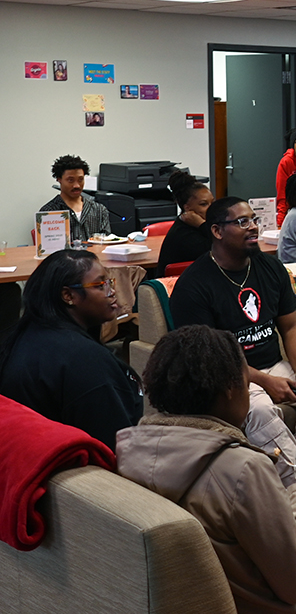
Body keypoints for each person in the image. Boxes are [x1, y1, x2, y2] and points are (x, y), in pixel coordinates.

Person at [116, 325, 296, 613]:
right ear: (230, 391)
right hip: (269, 602)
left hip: (210, 590)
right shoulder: (242, 469)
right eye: (248, 384)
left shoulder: (130, 449)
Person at [170, 197, 296, 486]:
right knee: (261, 410)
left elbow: (291, 325)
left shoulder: (270, 267)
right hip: (228, 376)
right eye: (242, 222)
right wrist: (264, 381)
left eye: (254, 220)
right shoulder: (194, 284)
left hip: (275, 365)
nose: (253, 227)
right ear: (217, 231)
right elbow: (208, 358)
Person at [0, 249, 142, 450]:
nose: (111, 292)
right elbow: (117, 444)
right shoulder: (84, 360)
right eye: (101, 285)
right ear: (68, 295)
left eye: (110, 282)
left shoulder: (24, 335)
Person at [39, 155, 111, 242]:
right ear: (59, 179)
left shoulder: (99, 210)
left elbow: (106, 244)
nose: (76, 185)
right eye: (70, 180)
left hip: (93, 255)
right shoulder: (49, 212)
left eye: (80, 179)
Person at [155, 170, 215, 276]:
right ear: (187, 207)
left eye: (212, 203)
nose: (211, 208)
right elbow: (218, 251)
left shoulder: (203, 225)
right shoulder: (183, 234)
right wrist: (202, 225)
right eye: (204, 204)